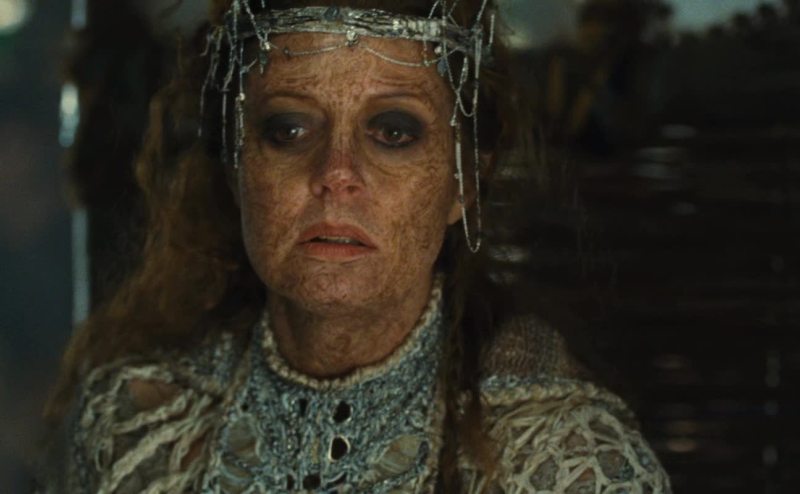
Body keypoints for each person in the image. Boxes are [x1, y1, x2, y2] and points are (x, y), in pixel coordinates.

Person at [40, 0, 672, 492]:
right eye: (289, 129)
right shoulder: (135, 431)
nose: (336, 173)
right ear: (236, 169)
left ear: (463, 183)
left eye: (393, 131)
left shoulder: (563, 464)